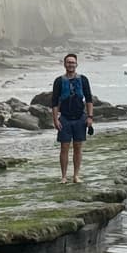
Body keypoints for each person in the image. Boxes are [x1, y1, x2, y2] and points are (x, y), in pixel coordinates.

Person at [51, 53, 93, 184]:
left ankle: (76, 175)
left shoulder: (83, 79)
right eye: (68, 62)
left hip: (80, 118)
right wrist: (55, 119)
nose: (71, 65)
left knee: (78, 147)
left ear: (76, 64)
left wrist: (90, 117)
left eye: (73, 62)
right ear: (64, 64)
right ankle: (64, 176)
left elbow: (89, 99)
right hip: (65, 118)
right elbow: (54, 102)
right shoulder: (59, 81)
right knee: (64, 147)